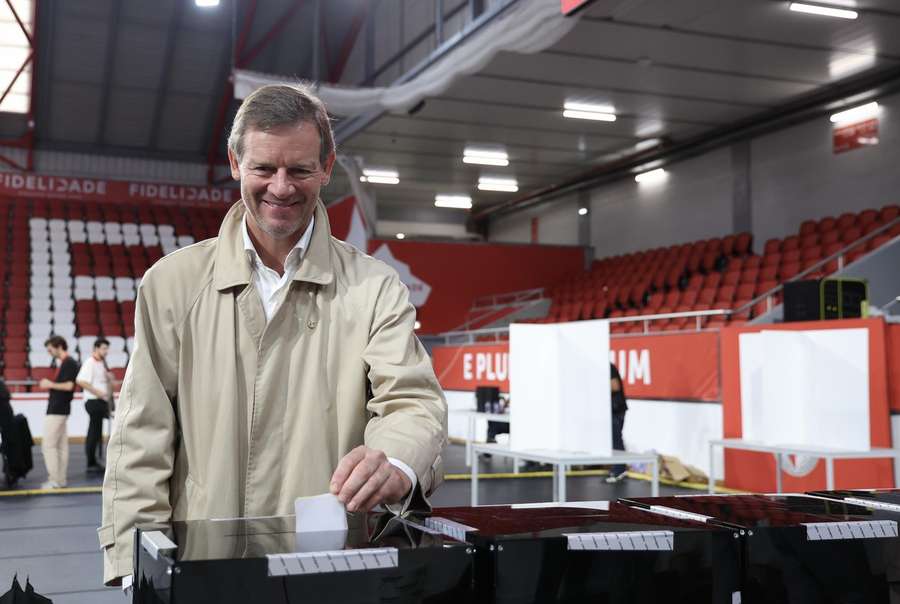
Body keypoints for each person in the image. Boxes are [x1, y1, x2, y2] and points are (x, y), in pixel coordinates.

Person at [99, 84, 447, 586]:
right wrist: (137, 566)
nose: (281, 187)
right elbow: (140, 437)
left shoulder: (375, 288)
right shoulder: (171, 284)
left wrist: (394, 460)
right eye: (264, 168)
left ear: (326, 168)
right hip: (204, 567)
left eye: (300, 170)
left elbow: (412, 403)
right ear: (235, 163)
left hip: (333, 567)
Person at [39, 335, 80, 489]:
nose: (49, 352)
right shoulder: (66, 362)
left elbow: (69, 386)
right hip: (61, 408)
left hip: (57, 409)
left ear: (59, 346)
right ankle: (60, 480)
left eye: (50, 349)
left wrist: (49, 384)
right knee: (61, 445)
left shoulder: (68, 363)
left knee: (48, 445)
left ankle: (55, 479)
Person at [75, 337, 113, 474]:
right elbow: (80, 381)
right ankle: (91, 461)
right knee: (93, 432)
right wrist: (98, 392)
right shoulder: (90, 362)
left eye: (107, 348)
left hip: (100, 401)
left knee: (96, 432)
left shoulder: (101, 363)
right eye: (103, 348)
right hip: (93, 401)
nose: (106, 351)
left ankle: (94, 460)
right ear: (96, 348)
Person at [605, 362, 629, 484]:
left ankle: (620, 469)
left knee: (616, 440)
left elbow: (615, 386)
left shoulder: (608, 367)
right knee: (612, 440)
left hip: (616, 409)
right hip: (611, 409)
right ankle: (617, 468)